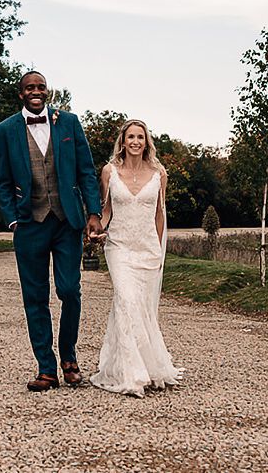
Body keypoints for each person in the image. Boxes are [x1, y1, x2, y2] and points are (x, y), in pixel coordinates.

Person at [0, 71, 103, 392]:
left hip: (67, 220)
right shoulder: (6, 130)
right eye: (30, 87)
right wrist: (13, 219)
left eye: (41, 87)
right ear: (21, 94)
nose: (36, 91)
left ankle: (69, 358)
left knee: (70, 291)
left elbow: (86, 170)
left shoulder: (69, 122)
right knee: (35, 298)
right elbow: (2, 180)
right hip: (29, 224)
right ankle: (46, 368)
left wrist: (93, 213)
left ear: (48, 91)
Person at [89, 119, 184, 397]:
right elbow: (105, 212)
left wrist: (158, 249)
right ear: (122, 140)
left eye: (140, 137)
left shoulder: (159, 173)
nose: (135, 142)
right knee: (126, 299)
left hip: (147, 249)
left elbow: (159, 215)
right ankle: (131, 375)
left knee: (141, 307)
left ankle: (145, 365)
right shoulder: (109, 171)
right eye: (130, 136)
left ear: (146, 142)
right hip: (118, 246)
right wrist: (97, 231)